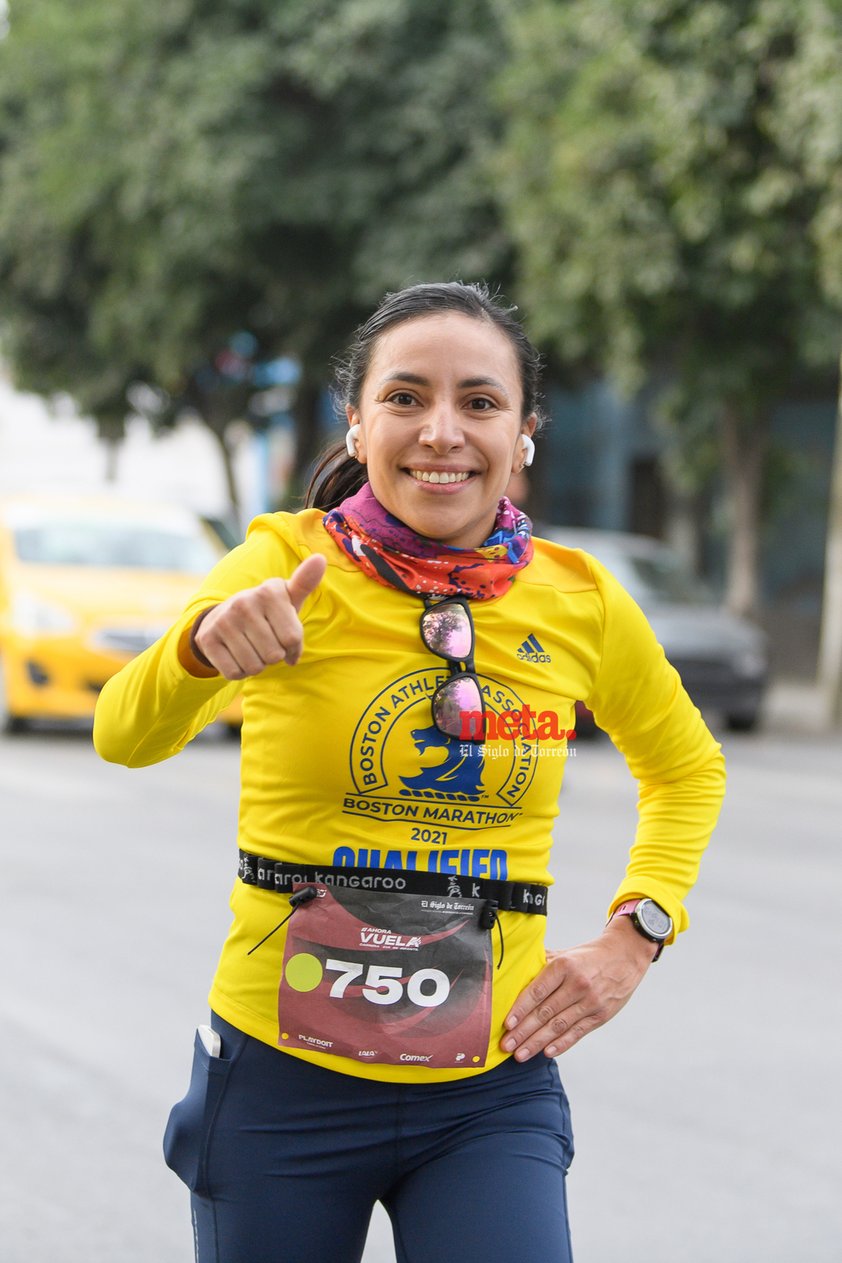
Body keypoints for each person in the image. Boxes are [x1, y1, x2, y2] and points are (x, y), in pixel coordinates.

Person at [93, 281, 726, 1263]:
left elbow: (686, 769)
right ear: (357, 421)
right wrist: (200, 652)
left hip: (488, 1091)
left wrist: (634, 935)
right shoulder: (279, 563)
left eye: (478, 402)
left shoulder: (582, 601)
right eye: (404, 398)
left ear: (522, 432)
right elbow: (121, 735)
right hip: (278, 1084)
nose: (441, 432)